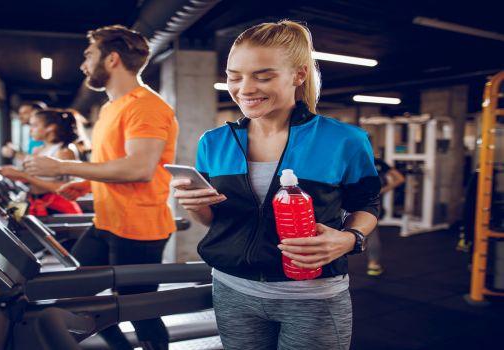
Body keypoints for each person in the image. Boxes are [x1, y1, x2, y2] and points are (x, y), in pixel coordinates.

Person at [171, 21, 380, 350]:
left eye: (263, 76)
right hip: (232, 291)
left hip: (312, 298)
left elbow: (366, 205)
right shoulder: (214, 142)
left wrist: (348, 239)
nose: (245, 89)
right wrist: (198, 208)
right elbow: (215, 220)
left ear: (298, 75)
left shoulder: (344, 140)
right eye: (234, 76)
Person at [24, 25, 178, 350]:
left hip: (139, 228)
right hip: (106, 221)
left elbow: (139, 168)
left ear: (112, 59)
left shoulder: (146, 106)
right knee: (74, 293)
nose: (83, 63)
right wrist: (86, 182)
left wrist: (63, 167)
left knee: (141, 311)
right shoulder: (110, 108)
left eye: (89, 54)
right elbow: (115, 162)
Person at [0, 108, 85, 216]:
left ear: (50, 128)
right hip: (33, 198)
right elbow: (32, 175)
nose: (30, 130)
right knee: (8, 219)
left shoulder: (64, 151)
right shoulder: (39, 149)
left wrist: (23, 176)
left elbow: (64, 188)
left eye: (34, 126)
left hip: (55, 206)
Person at [366, 156, 405, 275]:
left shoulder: (350, 160)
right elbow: (400, 178)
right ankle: (373, 265)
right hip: (371, 202)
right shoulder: (377, 162)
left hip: (353, 201)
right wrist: (384, 190)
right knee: (371, 232)